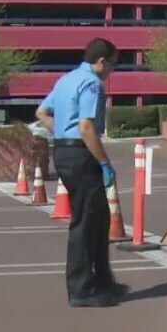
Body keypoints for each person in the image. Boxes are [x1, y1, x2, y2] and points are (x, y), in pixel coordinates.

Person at [35, 38, 129, 307]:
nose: (112, 71)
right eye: (112, 65)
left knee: (99, 218)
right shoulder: (91, 84)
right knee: (86, 221)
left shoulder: (66, 80)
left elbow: (42, 112)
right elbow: (87, 127)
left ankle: (103, 281)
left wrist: (62, 132)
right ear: (101, 61)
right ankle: (81, 289)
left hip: (64, 151)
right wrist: (104, 163)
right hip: (81, 154)